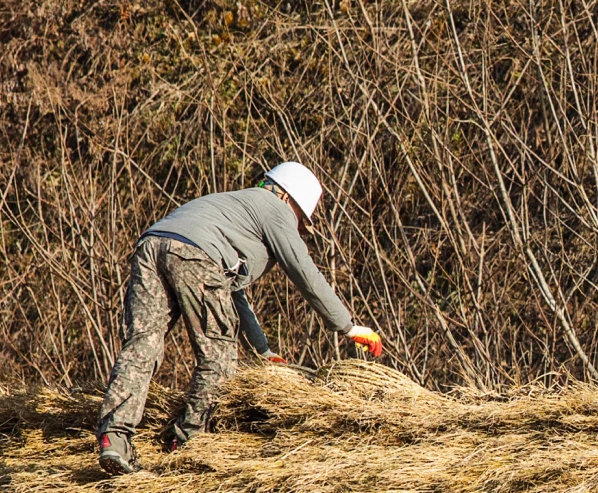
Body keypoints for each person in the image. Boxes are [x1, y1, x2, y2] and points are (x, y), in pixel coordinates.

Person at [94, 161, 385, 475]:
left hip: (151, 246)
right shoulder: (275, 208)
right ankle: (191, 440)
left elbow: (229, 291)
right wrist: (348, 326)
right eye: (300, 220)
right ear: (290, 199)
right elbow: (304, 271)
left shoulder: (232, 207)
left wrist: (263, 351)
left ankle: (115, 438)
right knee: (218, 356)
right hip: (194, 255)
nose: (296, 227)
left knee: (141, 347)